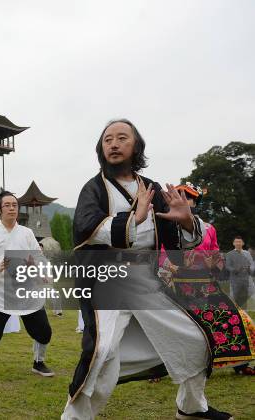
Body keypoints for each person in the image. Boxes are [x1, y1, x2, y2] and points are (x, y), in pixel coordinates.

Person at [62, 119, 233, 420]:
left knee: (195, 338)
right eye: (108, 139)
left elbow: (175, 244)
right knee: (102, 352)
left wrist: (185, 222)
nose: (113, 144)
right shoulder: (93, 188)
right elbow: (85, 228)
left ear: (136, 146)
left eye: (122, 138)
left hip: (146, 278)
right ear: (101, 148)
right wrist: (133, 219)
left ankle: (192, 408)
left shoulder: (152, 188)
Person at [159, 184, 255, 376]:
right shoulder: (167, 227)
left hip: (206, 284)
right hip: (177, 284)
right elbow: (161, 254)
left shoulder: (209, 228)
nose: (185, 200)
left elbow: (216, 253)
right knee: (173, 326)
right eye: (181, 196)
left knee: (237, 317)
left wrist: (215, 263)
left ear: (196, 203)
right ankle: (160, 369)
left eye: (190, 197)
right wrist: (172, 267)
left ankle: (240, 363)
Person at [0, 191, 54, 378]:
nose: (11, 208)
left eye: (14, 205)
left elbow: (38, 257)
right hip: (1, 292)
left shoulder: (27, 233)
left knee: (43, 331)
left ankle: (39, 362)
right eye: (7, 205)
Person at [226, 236, 254, 308]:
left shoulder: (247, 253)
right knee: (234, 298)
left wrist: (249, 269)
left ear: (243, 243)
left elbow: (251, 264)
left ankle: (243, 310)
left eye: (240, 242)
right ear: (233, 243)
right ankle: (237, 313)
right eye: (236, 242)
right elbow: (228, 267)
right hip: (235, 279)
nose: (238, 243)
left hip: (246, 279)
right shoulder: (229, 254)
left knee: (249, 293)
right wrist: (236, 269)